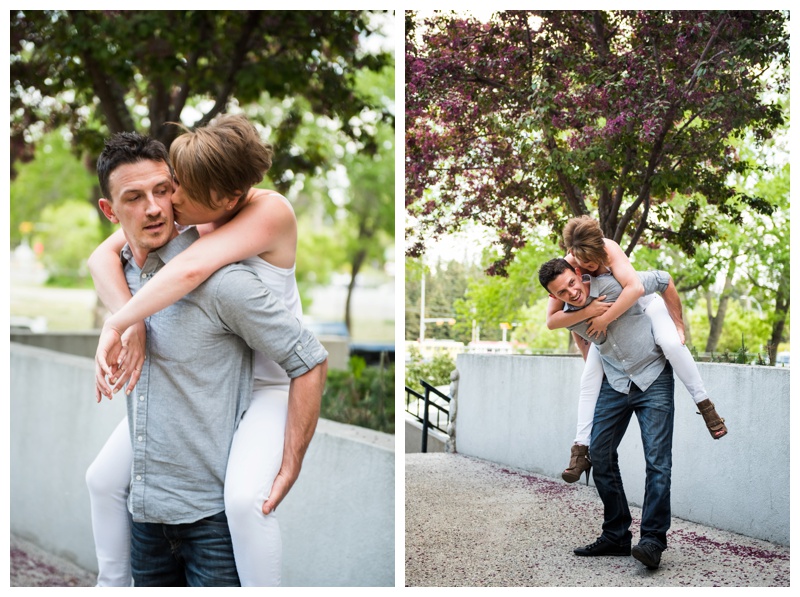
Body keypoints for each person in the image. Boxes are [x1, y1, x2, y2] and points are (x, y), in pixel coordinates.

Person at [85, 117, 324, 586]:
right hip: (212, 375)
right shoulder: (196, 203)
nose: (167, 202)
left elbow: (191, 271)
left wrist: (120, 321)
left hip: (269, 382)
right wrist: (132, 323)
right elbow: (100, 257)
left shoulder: (269, 211)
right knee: (102, 480)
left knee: (242, 502)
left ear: (227, 199)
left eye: (176, 190)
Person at [546, 215, 727, 484]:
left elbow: (639, 288)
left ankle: (705, 404)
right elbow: (558, 320)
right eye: (583, 263)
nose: (590, 266)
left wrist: (677, 323)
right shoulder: (568, 267)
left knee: (670, 344)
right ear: (572, 255)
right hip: (606, 326)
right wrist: (590, 314)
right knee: (589, 378)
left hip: (642, 305)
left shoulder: (611, 249)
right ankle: (580, 449)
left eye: (594, 260)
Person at [539, 257, 676, 569]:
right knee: (599, 454)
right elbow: (551, 322)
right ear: (554, 297)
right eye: (561, 292)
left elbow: (663, 279)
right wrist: (589, 312)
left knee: (658, 462)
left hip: (653, 377)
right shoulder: (569, 316)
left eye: (571, 283)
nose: (570, 292)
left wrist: (677, 325)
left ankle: (653, 540)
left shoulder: (618, 283)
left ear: (578, 273)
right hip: (615, 384)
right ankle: (616, 535)